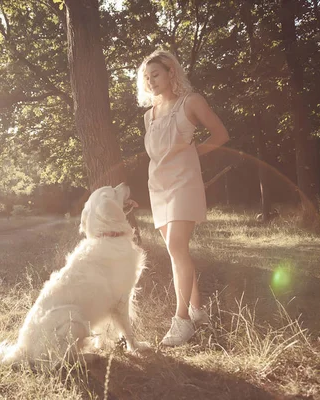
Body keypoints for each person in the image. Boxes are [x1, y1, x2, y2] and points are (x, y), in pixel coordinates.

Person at [137, 50, 229, 346]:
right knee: (176, 252)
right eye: (147, 77)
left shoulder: (191, 102)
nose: (151, 81)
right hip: (158, 186)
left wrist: (193, 152)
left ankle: (182, 321)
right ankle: (199, 310)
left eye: (156, 75)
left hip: (184, 183)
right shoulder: (148, 116)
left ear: (171, 73)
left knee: (177, 246)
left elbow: (220, 135)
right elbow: (157, 154)